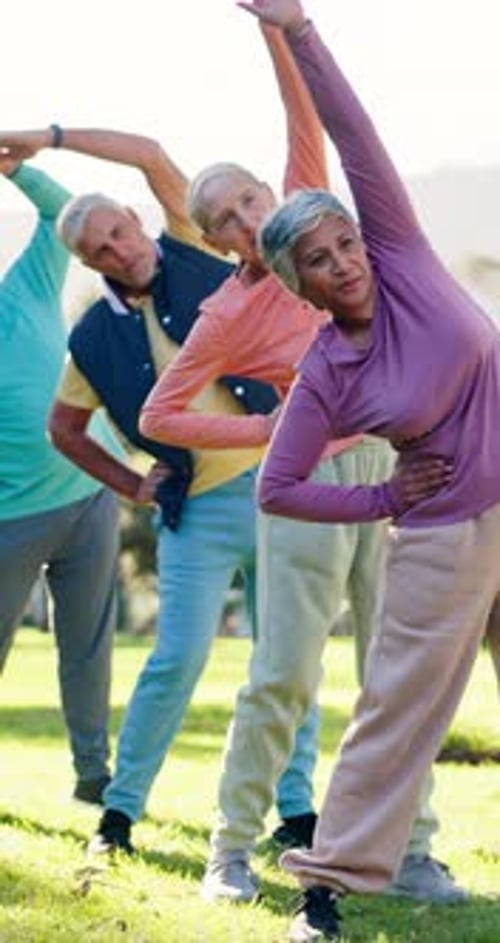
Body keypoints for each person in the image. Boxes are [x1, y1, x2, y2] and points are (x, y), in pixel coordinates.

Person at [138, 11, 460, 909]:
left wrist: (278, 30)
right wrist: (271, 430)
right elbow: (161, 411)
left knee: (398, 672)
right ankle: (230, 850)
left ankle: (411, 852)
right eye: (226, 218)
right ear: (215, 240)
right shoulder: (225, 315)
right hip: (308, 486)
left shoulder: (309, 215)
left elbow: (302, 116)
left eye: (250, 198)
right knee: (284, 673)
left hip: (396, 470)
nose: (249, 217)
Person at [0, 41, 314, 859]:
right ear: (84, 262)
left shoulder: (195, 246)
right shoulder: (92, 337)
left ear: (136, 220)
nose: (119, 249)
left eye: (118, 230)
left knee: (287, 653)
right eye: (98, 249)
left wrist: (45, 138)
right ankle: (119, 811)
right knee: (175, 659)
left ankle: (298, 808)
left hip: (281, 483)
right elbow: (64, 428)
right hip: (195, 509)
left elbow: (147, 152)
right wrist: (132, 482)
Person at [243, 2, 500, 940]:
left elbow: (355, 140)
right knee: (396, 713)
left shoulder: (402, 258)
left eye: (344, 243)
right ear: (299, 285)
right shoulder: (327, 373)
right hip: (444, 536)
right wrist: (385, 494)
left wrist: (300, 31)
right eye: (318, 260)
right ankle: (323, 888)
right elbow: (277, 487)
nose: (343, 264)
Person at [0, 151, 120, 805]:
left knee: (87, 646)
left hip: (89, 494)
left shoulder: (25, 288)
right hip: (10, 519)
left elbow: (62, 213)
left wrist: (15, 168)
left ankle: (93, 774)